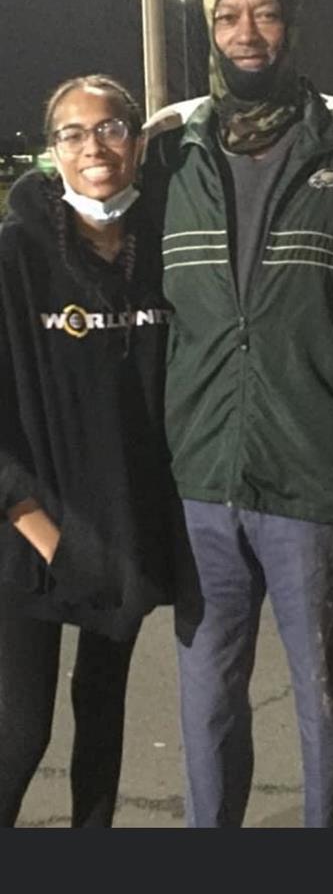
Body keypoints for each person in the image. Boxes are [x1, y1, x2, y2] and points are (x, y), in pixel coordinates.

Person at [145, 0, 333, 828]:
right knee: (208, 697)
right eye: (227, 17)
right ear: (208, 27)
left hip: (309, 468)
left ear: (291, 21)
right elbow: (88, 227)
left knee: (328, 697)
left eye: (265, 13)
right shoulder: (170, 143)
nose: (247, 33)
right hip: (201, 473)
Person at [0, 74, 180, 827]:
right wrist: (41, 528)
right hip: (30, 532)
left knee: (102, 717)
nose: (94, 146)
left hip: (121, 529)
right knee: (21, 731)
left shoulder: (166, 246)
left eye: (109, 128)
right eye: (73, 133)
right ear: (52, 154)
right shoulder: (15, 257)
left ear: (136, 143)